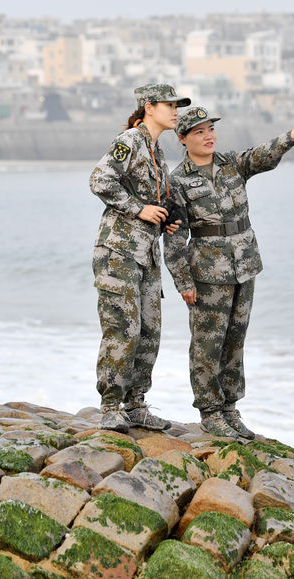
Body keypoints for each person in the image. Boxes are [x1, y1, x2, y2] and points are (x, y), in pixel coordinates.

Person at [164, 106, 294, 438]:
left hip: (244, 265)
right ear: (182, 138)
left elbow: (263, 156)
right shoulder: (177, 181)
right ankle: (209, 411)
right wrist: (182, 281)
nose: (208, 137)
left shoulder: (231, 164)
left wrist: (291, 136)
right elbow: (175, 236)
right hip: (207, 273)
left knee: (235, 341)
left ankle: (230, 408)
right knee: (207, 343)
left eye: (211, 130)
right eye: (199, 132)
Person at [89, 83, 190, 432]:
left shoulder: (157, 151)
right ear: (148, 107)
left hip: (146, 253)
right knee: (123, 328)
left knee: (149, 331)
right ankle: (111, 406)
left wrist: (167, 220)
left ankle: (135, 403)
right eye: (169, 105)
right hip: (119, 251)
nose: (175, 111)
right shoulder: (130, 140)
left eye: (177, 106)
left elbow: (155, 202)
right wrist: (139, 209)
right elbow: (100, 180)